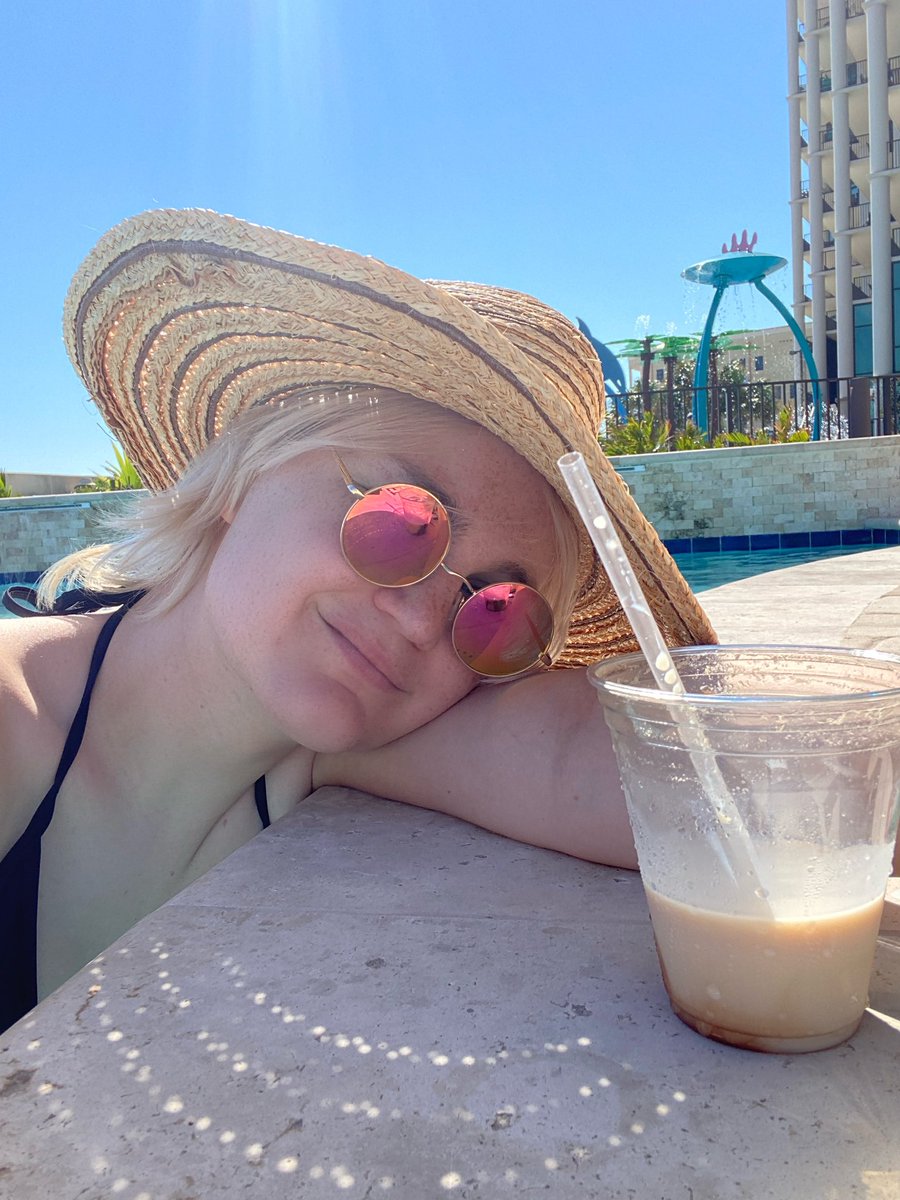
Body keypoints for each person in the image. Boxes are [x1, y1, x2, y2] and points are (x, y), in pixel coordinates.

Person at [0, 208, 716, 1033]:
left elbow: (666, 772)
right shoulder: (15, 721)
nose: (420, 622)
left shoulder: (336, 746)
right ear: (247, 471)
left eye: (494, 609)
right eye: (400, 520)